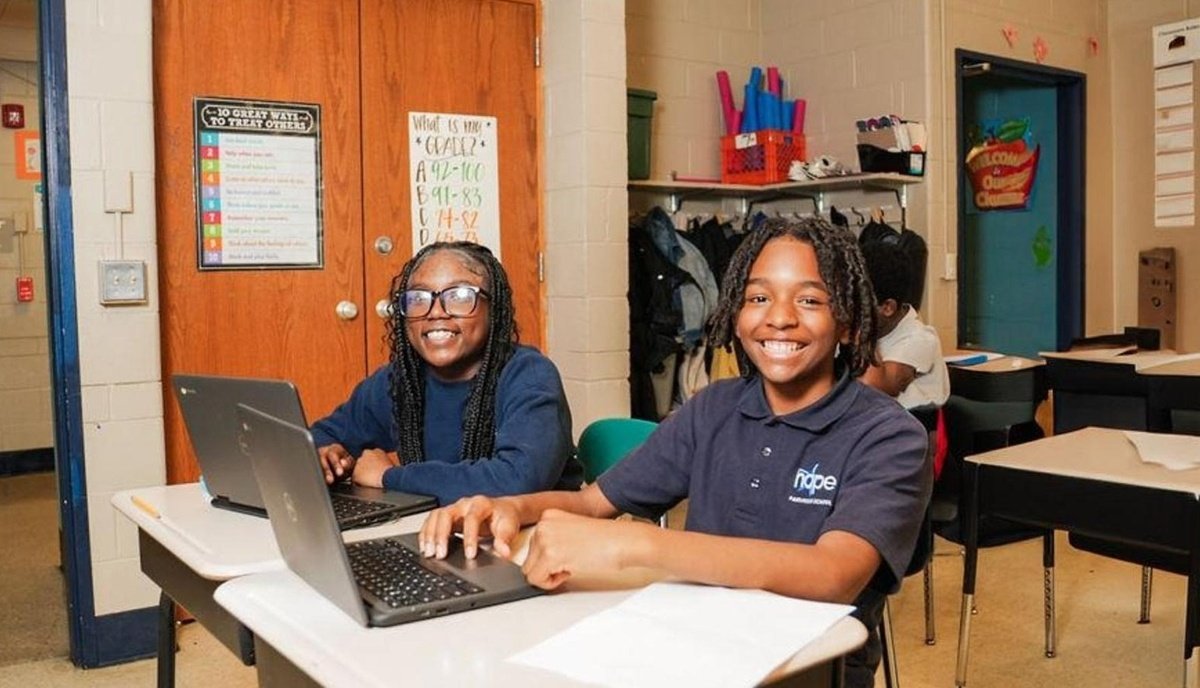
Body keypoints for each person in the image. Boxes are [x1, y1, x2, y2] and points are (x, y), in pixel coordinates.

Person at [418, 218, 932, 687]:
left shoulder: (889, 435)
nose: (779, 318)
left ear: (849, 323)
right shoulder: (713, 407)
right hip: (693, 642)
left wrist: (638, 545)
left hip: (809, 665)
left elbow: (834, 574)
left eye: (810, 301)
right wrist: (509, 506)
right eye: (757, 297)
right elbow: (593, 503)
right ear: (735, 314)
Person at [310, 241, 582, 505]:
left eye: (459, 296)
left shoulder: (529, 375)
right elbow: (320, 436)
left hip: (534, 530)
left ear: (493, 309)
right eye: (418, 298)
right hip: (438, 525)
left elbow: (517, 480)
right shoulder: (400, 380)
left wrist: (388, 476)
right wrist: (326, 455)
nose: (436, 312)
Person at [858, 236, 950, 410]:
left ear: (887, 307)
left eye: (857, 302)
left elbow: (875, 389)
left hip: (913, 423)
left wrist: (860, 332)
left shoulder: (921, 339)